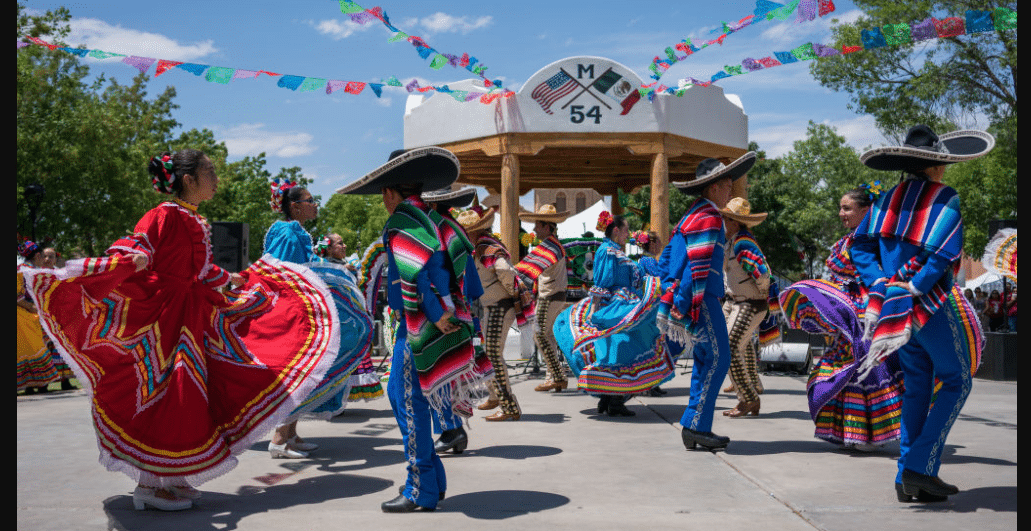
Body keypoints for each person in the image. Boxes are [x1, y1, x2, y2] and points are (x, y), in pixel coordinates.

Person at [21, 149, 341, 510]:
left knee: (185, 395)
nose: (217, 179)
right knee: (159, 392)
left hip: (191, 314)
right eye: (210, 172)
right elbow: (135, 246)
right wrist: (134, 257)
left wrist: (232, 278)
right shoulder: (164, 214)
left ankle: (169, 478)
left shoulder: (192, 217)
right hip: (163, 317)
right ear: (189, 180)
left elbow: (199, 270)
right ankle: (148, 484)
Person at [338, 146, 485, 513]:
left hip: (421, 326)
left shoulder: (402, 221)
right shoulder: (436, 219)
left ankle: (420, 487)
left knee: (407, 401)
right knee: (412, 400)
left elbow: (414, 273)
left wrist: (435, 312)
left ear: (389, 193)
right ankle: (433, 483)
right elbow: (461, 271)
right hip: (446, 320)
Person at [850, 125, 993, 502]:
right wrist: (915, 285)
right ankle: (919, 467)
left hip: (893, 310)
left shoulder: (887, 198)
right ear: (936, 165)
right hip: (926, 305)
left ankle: (907, 477)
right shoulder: (945, 196)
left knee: (918, 386)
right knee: (957, 380)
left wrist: (881, 282)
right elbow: (945, 253)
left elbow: (859, 244)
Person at [779, 186, 905, 450]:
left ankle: (870, 435)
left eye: (847, 208)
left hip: (871, 315)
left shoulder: (882, 243)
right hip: (849, 320)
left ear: (866, 210)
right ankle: (854, 432)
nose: (841, 213)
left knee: (868, 368)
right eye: (840, 208)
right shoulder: (846, 244)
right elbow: (836, 282)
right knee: (845, 372)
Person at [263, 180, 373, 457]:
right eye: (310, 200)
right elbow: (286, 273)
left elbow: (307, 264)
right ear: (295, 206)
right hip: (294, 314)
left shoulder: (296, 231)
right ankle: (279, 438)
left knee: (307, 371)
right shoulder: (288, 233)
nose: (315, 205)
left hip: (301, 311)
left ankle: (291, 435)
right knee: (298, 372)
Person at [659, 152, 756, 451]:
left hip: (697, 297)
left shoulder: (692, 215)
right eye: (727, 184)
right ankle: (697, 426)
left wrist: (675, 295)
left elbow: (667, 260)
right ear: (713, 187)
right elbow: (696, 268)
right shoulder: (710, 216)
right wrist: (686, 302)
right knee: (718, 358)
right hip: (703, 299)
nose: (730, 189)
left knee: (705, 360)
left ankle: (693, 425)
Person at [554, 212, 672, 417]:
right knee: (622, 350)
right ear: (616, 230)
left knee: (617, 350)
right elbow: (602, 282)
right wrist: (596, 309)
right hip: (616, 307)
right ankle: (614, 400)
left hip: (623, 303)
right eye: (625, 230)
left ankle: (609, 399)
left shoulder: (616, 251)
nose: (628, 234)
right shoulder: (608, 251)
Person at [421, 185, 491, 454]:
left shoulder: (438, 228)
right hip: (459, 304)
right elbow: (468, 276)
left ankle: (452, 429)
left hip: (446, 308)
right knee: (452, 371)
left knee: (443, 370)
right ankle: (453, 428)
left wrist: (440, 308)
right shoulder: (453, 227)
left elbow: (439, 273)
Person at [457, 206, 527, 421]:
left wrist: (512, 293)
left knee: (493, 355)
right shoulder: (482, 246)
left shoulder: (485, 247)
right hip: (494, 305)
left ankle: (509, 407)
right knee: (489, 352)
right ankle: (496, 396)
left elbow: (505, 270)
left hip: (499, 305)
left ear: (472, 231)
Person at [314, 233, 385, 405]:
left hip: (347, 324)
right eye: (340, 243)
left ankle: (336, 400)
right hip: (333, 323)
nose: (344, 246)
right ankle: (328, 400)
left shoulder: (345, 267)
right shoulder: (321, 267)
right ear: (329, 248)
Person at [719, 197, 774, 418]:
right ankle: (749, 393)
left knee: (730, 348)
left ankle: (748, 399)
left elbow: (762, 273)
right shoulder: (734, 241)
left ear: (733, 221)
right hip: (737, 303)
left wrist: (760, 292)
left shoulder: (742, 243)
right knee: (735, 347)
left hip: (748, 304)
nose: (722, 222)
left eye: (724, 218)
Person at [515, 205, 572, 393]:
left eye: (537, 225)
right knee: (548, 336)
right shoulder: (554, 245)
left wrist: (508, 275)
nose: (534, 229)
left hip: (550, 296)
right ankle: (553, 378)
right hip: (554, 295)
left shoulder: (549, 246)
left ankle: (558, 375)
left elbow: (528, 268)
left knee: (538, 334)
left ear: (547, 227)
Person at [17, 239, 60, 394]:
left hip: (26, 314)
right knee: (34, 347)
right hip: (23, 314)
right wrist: (32, 307)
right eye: (42, 256)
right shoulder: (27, 271)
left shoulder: (23, 269)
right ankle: (37, 383)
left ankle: (31, 384)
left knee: (27, 349)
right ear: (37, 256)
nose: (44, 259)